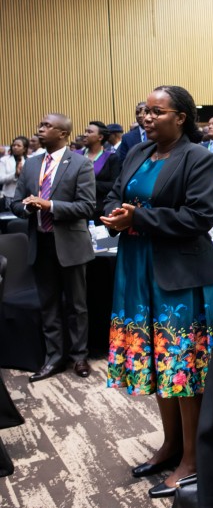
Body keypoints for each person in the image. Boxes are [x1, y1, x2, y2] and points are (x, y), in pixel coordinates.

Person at [101, 85, 213, 499]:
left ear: (181, 116)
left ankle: (193, 461)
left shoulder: (196, 157)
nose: (147, 118)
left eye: (157, 112)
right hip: (137, 271)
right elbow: (113, 192)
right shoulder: (137, 153)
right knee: (158, 364)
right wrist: (114, 215)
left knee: (183, 368)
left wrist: (138, 217)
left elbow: (198, 216)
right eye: (145, 112)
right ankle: (171, 446)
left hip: (181, 276)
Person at [11, 114, 96, 382]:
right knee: (48, 305)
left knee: (77, 306)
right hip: (40, 242)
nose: (39, 129)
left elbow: (87, 206)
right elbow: (15, 203)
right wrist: (27, 206)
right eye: (40, 125)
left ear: (63, 133)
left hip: (70, 244)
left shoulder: (80, 164)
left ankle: (79, 356)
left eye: (47, 126)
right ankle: (54, 358)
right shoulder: (32, 164)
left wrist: (50, 206)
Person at [76, 121, 120, 218]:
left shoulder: (111, 158)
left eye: (89, 132)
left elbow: (114, 185)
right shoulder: (75, 155)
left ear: (100, 137)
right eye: (85, 131)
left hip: (100, 209)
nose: (85, 135)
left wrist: (88, 183)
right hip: (76, 208)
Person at [0, 136, 28, 209]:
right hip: (10, 195)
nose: (15, 147)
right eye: (14, 145)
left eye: (18, 146)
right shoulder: (4, 160)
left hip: (26, 196)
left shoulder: (29, 160)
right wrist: (15, 174)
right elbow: (1, 179)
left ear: (24, 149)